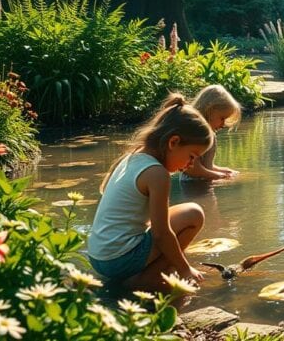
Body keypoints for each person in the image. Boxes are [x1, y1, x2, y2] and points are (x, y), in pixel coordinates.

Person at [88, 93, 213, 290]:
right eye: (191, 156)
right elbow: (161, 233)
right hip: (118, 260)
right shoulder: (157, 174)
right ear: (173, 142)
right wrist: (185, 268)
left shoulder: (133, 156)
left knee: (176, 217)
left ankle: (145, 272)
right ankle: (146, 279)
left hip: (98, 257)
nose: (190, 164)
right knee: (193, 214)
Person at [183, 85, 242, 180]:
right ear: (209, 110)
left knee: (232, 175)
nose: (223, 124)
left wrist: (225, 171)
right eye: (222, 118)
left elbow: (207, 166)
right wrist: (218, 176)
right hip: (192, 185)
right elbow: (192, 169)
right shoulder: (196, 133)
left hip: (203, 181)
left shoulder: (211, 135)